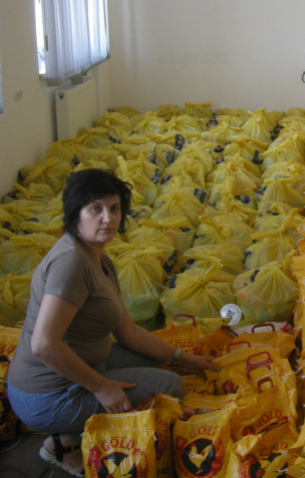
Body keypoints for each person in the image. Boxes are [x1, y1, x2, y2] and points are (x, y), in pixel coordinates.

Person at [7, 169, 219, 478]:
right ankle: (76, 438)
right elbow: (43, 345)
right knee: (168, 386)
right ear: (75, 213)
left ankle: (67, 438)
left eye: (114, 208)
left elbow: (129, 332)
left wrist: (182, 357)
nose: (108, 218)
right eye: (96, 209)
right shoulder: (71, 264)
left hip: (80, 366)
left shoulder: (98, 259)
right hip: (46, 395)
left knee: (157, 360)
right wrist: (102, 387)